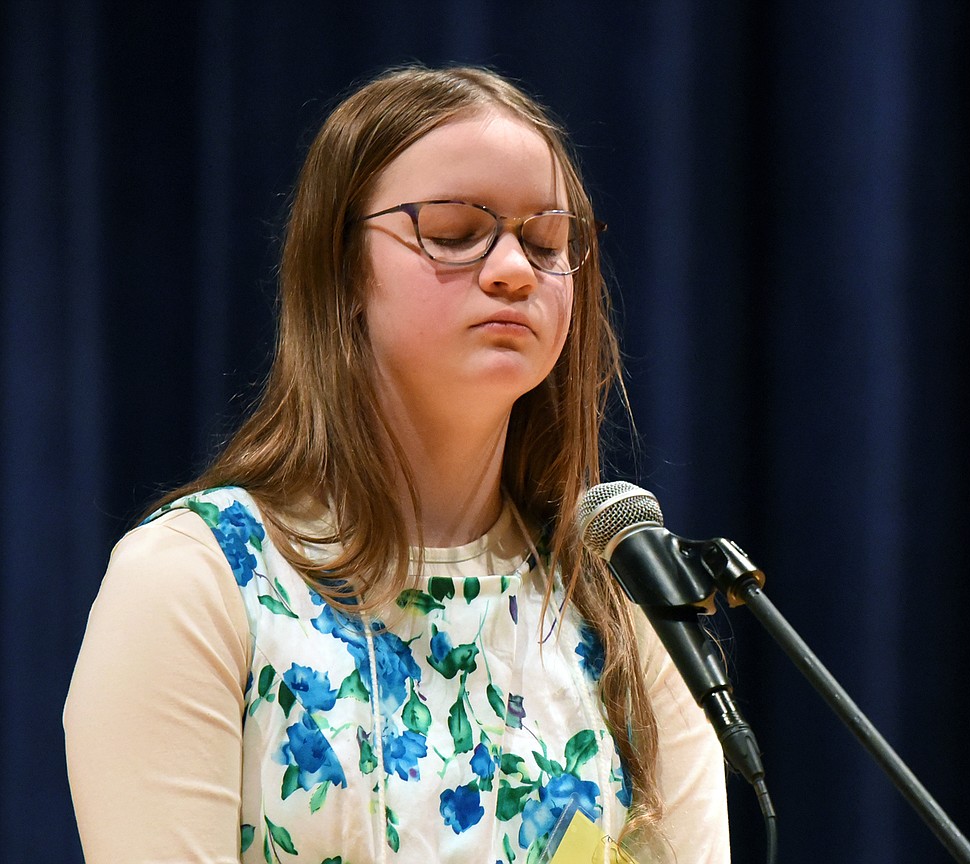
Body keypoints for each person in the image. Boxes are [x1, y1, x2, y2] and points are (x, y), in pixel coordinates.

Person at [64, 65, 730, 864]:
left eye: (547, 242)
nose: (514, 270)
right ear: (343, 271)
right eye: (455, 233)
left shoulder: (623, 606)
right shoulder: (193, 581)